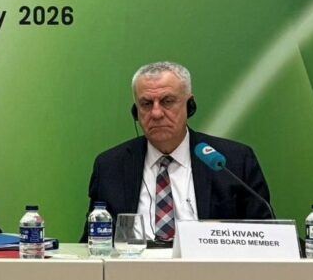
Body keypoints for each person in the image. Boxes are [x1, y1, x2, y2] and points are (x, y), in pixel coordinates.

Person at [83, 61, 272, 242]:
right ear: (136, 111)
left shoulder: (233, 161)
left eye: (167, 101)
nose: (156, 113)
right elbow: (93, 242)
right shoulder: (110, 166)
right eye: (146, 104)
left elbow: (265, 236)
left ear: (190, 106)